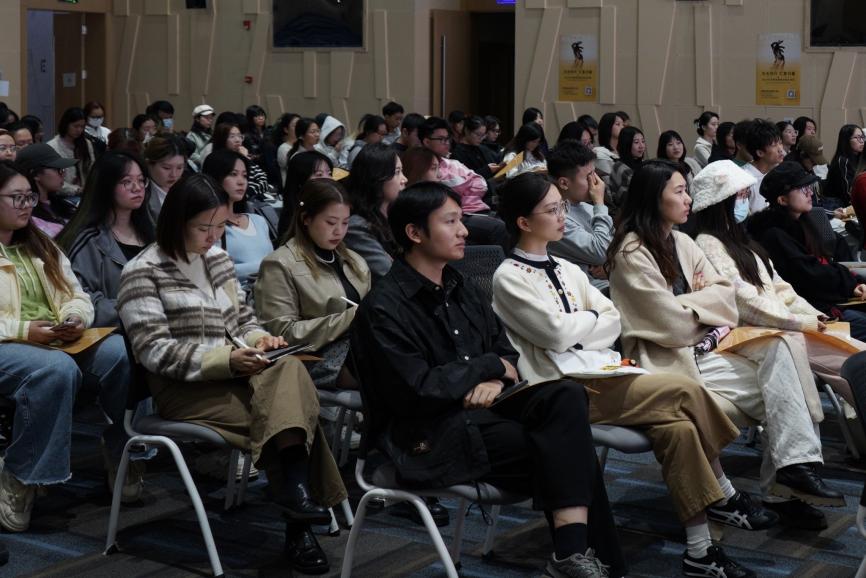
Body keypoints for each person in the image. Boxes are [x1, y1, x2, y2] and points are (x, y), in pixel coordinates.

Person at [351, 181, 626, 578]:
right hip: (427, 432)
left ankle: (571, 558)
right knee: (567, 447)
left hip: (484, 411)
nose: (464, 230)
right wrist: (487, 368)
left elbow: (507, 353)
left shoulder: (460, 286)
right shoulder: (384, 307)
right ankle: (581, 561)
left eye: (461, 220)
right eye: (450, 222)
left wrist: (496, 378)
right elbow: (419, 389)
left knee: (565, 397)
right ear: (414, 233)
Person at [493, 173, 760, 578]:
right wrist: (588, 322)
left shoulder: (567, 267)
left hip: (606, 373)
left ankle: (700, 551)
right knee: (685, 391)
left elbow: (612, 320)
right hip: (566, 390)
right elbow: (554, 334)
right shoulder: (509, 276)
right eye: (552, 210)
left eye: (562, 206)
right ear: (523, 222)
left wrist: (580, 326)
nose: (563, 215)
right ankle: (725, 491)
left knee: (679, 430)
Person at [117, 173, 346, 574]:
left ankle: (296, 501)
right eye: (203, 227)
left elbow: (243, 320)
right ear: (176, 222)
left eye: (221, 226)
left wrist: (261, 340)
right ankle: (299, 524)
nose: (213, 236)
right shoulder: (143, 272)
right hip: (182, 387)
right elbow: (154, 352)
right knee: (288, 414)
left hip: (238, 372)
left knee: (288, 371)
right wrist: (226, 359)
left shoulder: (217, 260)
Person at [607, 160, 844, 526]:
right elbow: (671, 323)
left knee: (784, 356)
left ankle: (793, 472)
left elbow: (723, 297)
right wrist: (705, 309)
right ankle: (786, 483)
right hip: (665, 357)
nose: (687, 199)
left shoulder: (683, 241)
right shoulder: (633, 252)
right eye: (679, 191)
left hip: (706, 346)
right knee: (786, 382)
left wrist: (694, 307)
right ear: (653, 198)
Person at [693, 160, 866, 457]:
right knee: (855, 364)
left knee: (856, 357)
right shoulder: (709, 243)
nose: (746, 201)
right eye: (741, 195)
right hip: (763, 332)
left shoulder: (741, 239)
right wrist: (801, 321)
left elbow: (781, 288)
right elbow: (745, 302)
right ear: (722, 201)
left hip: (786, 324)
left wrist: (813, 315)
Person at [0, 161, 138, 531]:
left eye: (29, 197)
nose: (26, 205)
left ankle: (121, 450)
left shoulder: (40, 244)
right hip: (9, 340)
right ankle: (21, 474)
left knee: (119, 353)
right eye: (16, 198)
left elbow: (75, 295)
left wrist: (75, 318)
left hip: (53, 336)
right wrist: (25, 330)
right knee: (54, 369)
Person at [256, 177, 370, 391]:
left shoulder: (355, 261)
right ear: (306, 219)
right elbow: (282, 334)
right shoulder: (280, 264)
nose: (339, 231)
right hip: (315, 357)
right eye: (331, 223)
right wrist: (352, 317)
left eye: (345, 223)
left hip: (359, 345)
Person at [749, 162, 866, 341]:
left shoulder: (802, 222)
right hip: (810, 310)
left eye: (809, 187)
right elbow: (810, 275)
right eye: (802, 189)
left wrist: (853, 283)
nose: (810, 192)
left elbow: (820, 265)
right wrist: (850, 284)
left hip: (824, 298)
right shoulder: (773, 235)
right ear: (782, 200)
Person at [57, 150, 154, 327]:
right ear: (106, 186)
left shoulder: (150, 231)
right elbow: (79, 299)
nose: (137, 188)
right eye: (127, 182)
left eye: (141, 180)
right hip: (113, 331)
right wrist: (139, 308)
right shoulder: (88, 240)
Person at [201, 149, 273, 291]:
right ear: (215, 177)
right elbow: (212, 270)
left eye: (245, 176)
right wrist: (266, 266)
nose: (241, 182)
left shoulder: (258, 220)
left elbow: (275, 260)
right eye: (233, 174)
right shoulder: (209, 226)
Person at [546, 141, 612, 292]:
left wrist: (610, 266)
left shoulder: (588, 207)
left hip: (611, 284)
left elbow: (616, 245)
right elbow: (600, 252)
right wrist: (599, 203)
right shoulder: (557, 218)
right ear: (564, 183)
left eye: (594, 174)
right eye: (588, 177)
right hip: (588, 292)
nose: (596, 182)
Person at [344, 143, 405, 280]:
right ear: (377, 177)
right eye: (397, 172)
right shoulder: (357, 226)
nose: (404, 179)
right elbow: (391, 274)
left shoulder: (395, 213)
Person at [16, 144, 77, 237]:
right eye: (58, 170)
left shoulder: (63, 204)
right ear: (36, 174)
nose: (63, 174)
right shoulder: (26, 216)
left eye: (63, 170)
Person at [277, 150, 333, 240]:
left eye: (329, 173)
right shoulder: (295, 215)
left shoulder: (332, 202)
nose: (328, 179)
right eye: (319, 174)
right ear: (300, 179)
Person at [210, 122, 270, 200]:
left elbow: (264, 181)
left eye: (239, 136)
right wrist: (244, 159)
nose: (238, 140)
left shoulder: (241, 155)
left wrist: (245, 158)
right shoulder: (216, 159)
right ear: (221, 139)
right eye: (232, 136)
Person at [47, 107, 96, 196]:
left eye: (82, 127)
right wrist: (76, 189)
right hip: (62, 194)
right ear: (66, 124)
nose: (79, 130)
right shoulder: (53, 146)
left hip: (84, 193)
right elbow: (52, 179)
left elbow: (92, 169)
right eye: (75, 126)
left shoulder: (86, 143)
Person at [741, 119, 785, 215]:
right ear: (760, 153)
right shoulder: (744, 178)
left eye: (780, 143)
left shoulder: (779, 172)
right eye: (774, 145)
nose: (781, 149)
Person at [143, 134, 187, 225]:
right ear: (148, 164)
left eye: (179, 168)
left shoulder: (186, 188)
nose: (174, 174)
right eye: (166, 168)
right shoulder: (142, 195)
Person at [824, 124, 864, 210]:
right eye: (857, 137)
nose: (861, 141)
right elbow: (848, 192)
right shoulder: (843, 161)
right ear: (846, 140)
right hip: (838, 207)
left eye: (862, 137)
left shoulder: (859, 158)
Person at [451, 115, 497, 182]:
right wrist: (487, 170)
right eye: (478, 134)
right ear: (467, 131)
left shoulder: (482, 148)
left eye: (483, 135)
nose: (481, 138)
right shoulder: (457, 153)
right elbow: (464, 179)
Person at [608, 126, 645, 208]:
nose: (641, 146)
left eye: (643, 141)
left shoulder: (644, 164)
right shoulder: (619, 167)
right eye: (636, 142)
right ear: (626, 144)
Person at [592, 112, 624, 181]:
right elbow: (608, 180)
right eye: (618, 124)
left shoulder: (624, 150)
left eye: (623, 125)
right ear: (608, 127)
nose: (622, 127)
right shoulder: (601, 152)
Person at [274, 112, 300, 187]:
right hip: (293, 187)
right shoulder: (283, 148)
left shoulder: (305, 145)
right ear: (286, 130)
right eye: (295, 126)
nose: (299, 128)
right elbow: (297, 169)